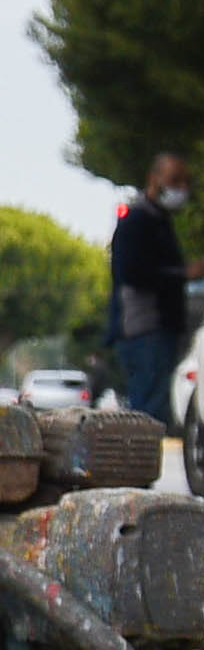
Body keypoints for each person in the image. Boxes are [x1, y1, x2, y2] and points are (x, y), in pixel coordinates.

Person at [114, 156, 189, 449]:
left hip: (156, 328)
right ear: (154, 178)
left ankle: (139, 476)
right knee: (147, 413)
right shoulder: (138, 219)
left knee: (152, 408)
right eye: (175, 181)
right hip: (146, 327)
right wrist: (183, 274)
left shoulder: (159, 220)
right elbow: (131, 272)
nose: (181, 190)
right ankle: (137, 479)